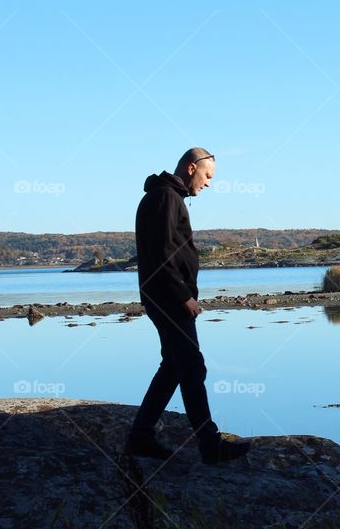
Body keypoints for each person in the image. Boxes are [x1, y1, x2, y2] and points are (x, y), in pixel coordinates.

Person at [124, 148, 250, 464]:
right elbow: (162, 253)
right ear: (192, 168)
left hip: (163, 297)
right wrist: (183, 295)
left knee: (173, 366)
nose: (208, 184)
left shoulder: (167, 196)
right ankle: (210, 445)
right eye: (207, 176)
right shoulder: (165, 197)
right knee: (192, 366)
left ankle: (140, 437)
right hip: (168, 299)